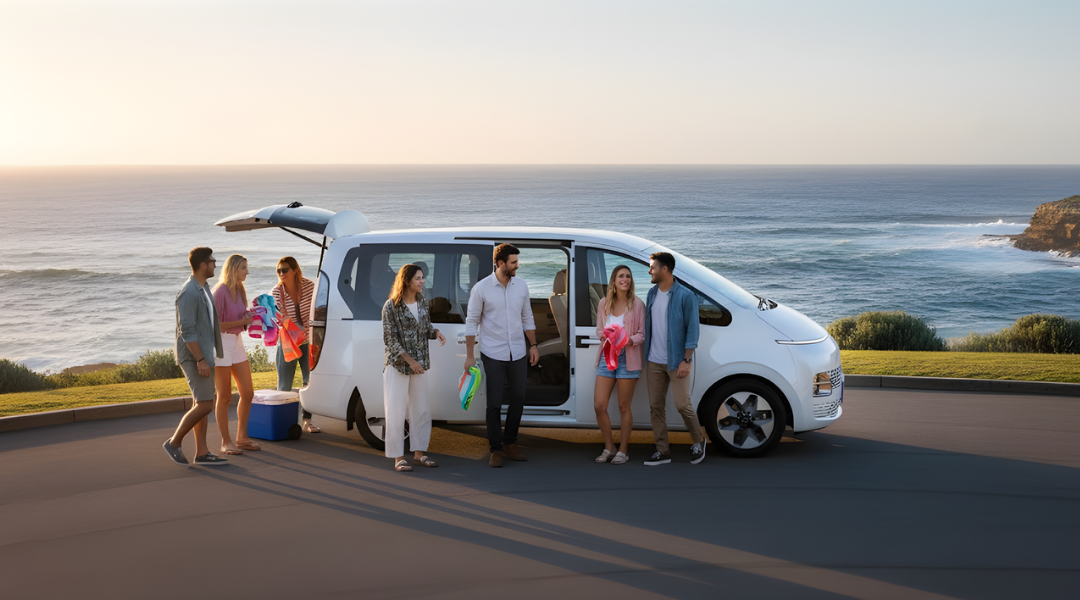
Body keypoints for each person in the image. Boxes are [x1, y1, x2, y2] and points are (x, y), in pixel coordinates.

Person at [464, 243, 539, 468]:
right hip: (492, 352)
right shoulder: (481, 288)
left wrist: (533, 345)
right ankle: (495, 449)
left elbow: (528, 317)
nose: (517, 265)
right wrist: (470, 355)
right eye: (513, 262)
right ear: (500, 264)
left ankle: (510, 442)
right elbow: (471, 322)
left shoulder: (522, 286)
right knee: (494, 403)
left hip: (517, 351)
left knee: (518, 398)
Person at [162, 247, 228, 467]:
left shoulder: (203, 288)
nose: (215, 264)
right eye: (212, 261)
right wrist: (200, 359)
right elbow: (187, 331)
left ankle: (202, 453)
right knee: (206, 404)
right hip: (193, 356)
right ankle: (174, 442)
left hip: (204, 354)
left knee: (201, 402)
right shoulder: (189, 292)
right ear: (203, 265)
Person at [642, 251, 707, 466]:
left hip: (676, 360)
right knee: (656, 407)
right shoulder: (651, 294)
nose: (649, 271)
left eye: (653, 267)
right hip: (653, 360)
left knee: (682, 405)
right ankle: (663, 450)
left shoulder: (685, 296)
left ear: (665, 269)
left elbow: (693, 330)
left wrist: (686, 360)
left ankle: (699, 441)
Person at [381, 264, 447, 472]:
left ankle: (419, 453)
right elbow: (390, 340)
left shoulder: (422, 304)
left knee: (421, 410)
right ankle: (398, 457)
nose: (422, 281)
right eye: (418, 278)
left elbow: (425, 328)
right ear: (407, 280)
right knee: (396, 411)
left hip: (420, 365)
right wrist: (410, 360)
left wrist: (435, 332)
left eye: (422, 277)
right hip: (398, 365)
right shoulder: (390, 307)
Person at [593, 265, 645, 465]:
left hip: (627, 358)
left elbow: (642, 334)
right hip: (608, 356)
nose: (625, 279)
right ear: (614, 280)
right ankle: (609, 447)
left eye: (628, 276)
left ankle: (623, 450)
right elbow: (599, 330)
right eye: (621, 276)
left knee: (624, 406)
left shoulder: (637, 304)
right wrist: (606, 336)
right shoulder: (604, 303)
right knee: (599, 405)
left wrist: (626, 340)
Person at [213, 254, 258, 455]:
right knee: (223, 396)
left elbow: (239, 317)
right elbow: (216, 325)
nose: (247, 271)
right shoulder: (220, 291)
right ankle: (226, 442)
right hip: (221, 343)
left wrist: (250, 316)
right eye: (243, 268)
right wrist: (242, 322)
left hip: (237, 342)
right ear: (233, 269)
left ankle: (241, 438)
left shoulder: (240, 289)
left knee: (248, 392)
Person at [272, 256, 320, 433]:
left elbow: (316, 310)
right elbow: (281, 316)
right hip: (287, 342)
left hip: (309, 341)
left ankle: (307, 421)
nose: (281, 274)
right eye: (279, 271)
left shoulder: (309, 286)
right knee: (284, 384)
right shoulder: (277, 291)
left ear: (295, 270)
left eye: (285, 270)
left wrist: (308, 335)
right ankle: (282, 422)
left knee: (309, 382)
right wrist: (298, 336)